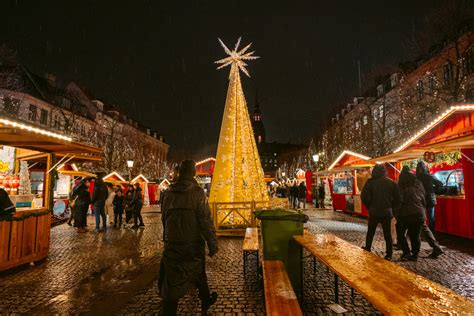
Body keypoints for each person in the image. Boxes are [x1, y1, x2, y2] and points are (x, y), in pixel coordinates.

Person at [159, 160, 218, 315]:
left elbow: (164, 217)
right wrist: (212, 244)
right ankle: (205, 300)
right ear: (193, 173)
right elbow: (205, 221)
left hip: (172, 243)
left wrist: (167, 238)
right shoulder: (197, 193)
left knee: (172, 279)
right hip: (192, 243)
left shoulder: (168, 193)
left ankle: (170, 310)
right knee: (198, 271)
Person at [361, 164, 400, 260]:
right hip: (387, 212)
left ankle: (368, 248)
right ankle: (389, 254)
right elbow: (398, 199)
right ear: (384, 171)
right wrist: (393, 210)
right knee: (387, 234)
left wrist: (369, 206)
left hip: (374, 211)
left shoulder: (370, 182)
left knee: (370, 232)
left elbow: (364, 196)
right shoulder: (391, 183)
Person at [396, 166, 426, 261]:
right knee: (415, 236)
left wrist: (396, 212)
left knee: (400, 233)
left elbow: (400, 200)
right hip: (419, 213)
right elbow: (423, 197)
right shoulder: (418, 183)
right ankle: (415, 255)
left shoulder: (401, 184)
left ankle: (406, 252)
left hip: (405, 214)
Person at [416, 161, 444, 258]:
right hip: (431, 200)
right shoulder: (429, 176)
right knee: (431, 219)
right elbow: (440, 184)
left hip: (421, 200)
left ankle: (424, 237)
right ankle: (433, 236)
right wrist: (433, 191)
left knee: (422, 220)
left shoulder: (417, 178)